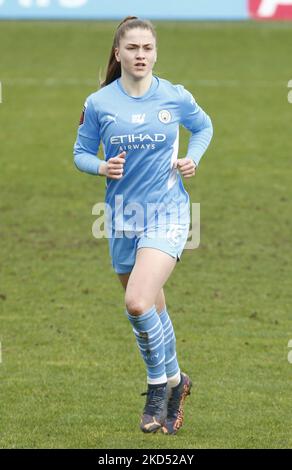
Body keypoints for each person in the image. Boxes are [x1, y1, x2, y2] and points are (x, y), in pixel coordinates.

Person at [73, 16, 213, 435]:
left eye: (147, 48)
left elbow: (203, 127)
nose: (140, 55)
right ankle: (176, 381)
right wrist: (102, 166)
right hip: (121, 219)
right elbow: (80, 152)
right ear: (118, 52)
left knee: (137, 301)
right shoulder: (99, 103)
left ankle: (157, 389)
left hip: (168, 214)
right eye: (132, 48)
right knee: (150, 309)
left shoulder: (174, 96)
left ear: (155, 52)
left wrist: (194, 158)